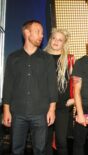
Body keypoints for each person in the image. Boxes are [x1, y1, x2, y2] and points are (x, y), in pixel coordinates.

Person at [2, 20, 58, 155]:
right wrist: (6, 110)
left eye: (42, 33)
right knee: (16, 150)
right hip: (17, 113)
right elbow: (8, 85)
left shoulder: (47, 58)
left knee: (40, 150)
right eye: (38, 32)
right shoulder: (13, 57)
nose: (42, 36)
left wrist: (52, 109)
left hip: (40, 113)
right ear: (27, 32)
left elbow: (52, 85)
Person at [44, 28, 74, 155]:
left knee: (62, 141)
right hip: (44, 105)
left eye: (60, 40)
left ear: (64, 43)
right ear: (50, 39)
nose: (56, 41)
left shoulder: (70, 59)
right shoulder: (42, 57)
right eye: (54, 38)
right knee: (45, 141)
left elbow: (76, 82)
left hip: (63, 106)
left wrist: (73, 99)